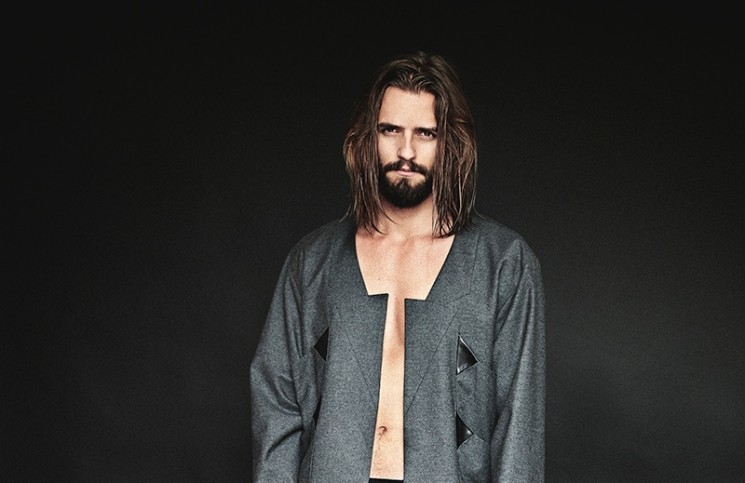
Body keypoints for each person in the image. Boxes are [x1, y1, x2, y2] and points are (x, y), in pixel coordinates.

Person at [250, 51, 545, 482]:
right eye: (390, 130)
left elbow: (519, 425)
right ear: (367, 137)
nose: (406, 151)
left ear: (450, 142)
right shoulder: (312, 262)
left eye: (425, 133)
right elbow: (277, 405)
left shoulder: (504, 264)